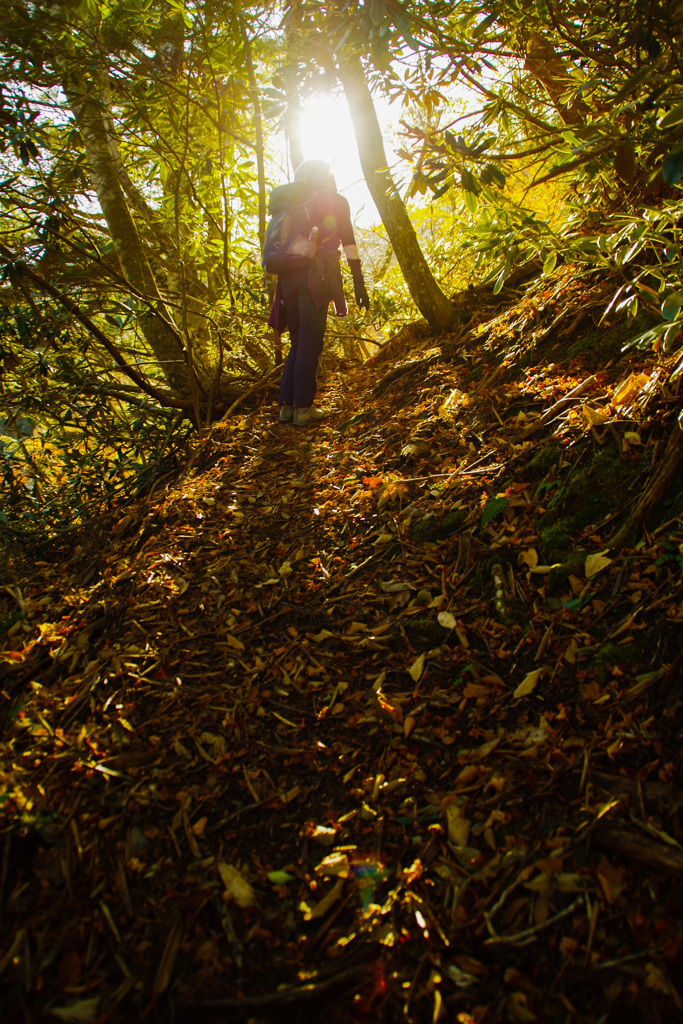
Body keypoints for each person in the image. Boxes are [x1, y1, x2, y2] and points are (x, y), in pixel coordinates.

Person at [266, 160, 370, 426]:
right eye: (329, 174)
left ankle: (286, 409)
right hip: (315, 280)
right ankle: (303, 408)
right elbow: (349, 244)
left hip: (288, 282)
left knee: (298, 344)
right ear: (323, 177)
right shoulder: (334, 202)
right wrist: (358, 283)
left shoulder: (290, 204)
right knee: (311, 343)